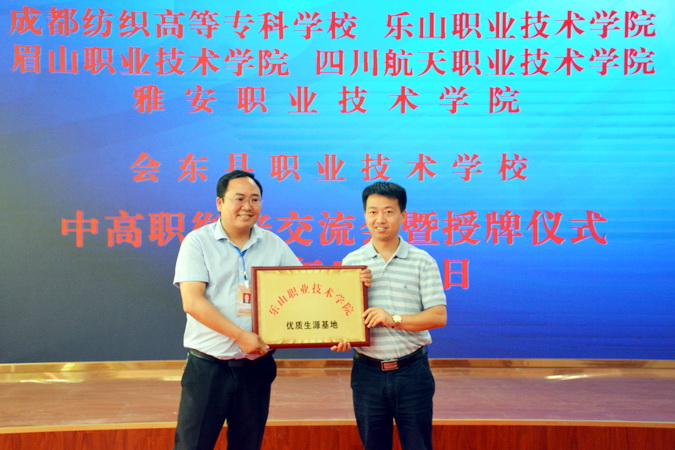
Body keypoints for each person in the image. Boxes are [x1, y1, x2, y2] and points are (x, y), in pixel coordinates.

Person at [173, 170, 301, 450]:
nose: (248, 206)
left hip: (255, 368)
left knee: (247, 445)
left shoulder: (274, 244)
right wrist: (241, 336)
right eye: (239, 198)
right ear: (220, 203)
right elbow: (192, 302)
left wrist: (354, 285)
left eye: (255, 199)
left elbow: (304, 290)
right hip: (208, 368)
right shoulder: (198, 242)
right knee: (192, 445)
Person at [332, 181, 447, 450]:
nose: (380, 219)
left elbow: (438, 316)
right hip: (367, 373)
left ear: (403, 215)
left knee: (418, 445)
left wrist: (392, 318)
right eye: (372, 212)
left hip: (412, 371)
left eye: (388, 211)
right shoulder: (352, 263)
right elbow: (344, 318)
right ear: (364, 215)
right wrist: (341, 336)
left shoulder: (422, 261)